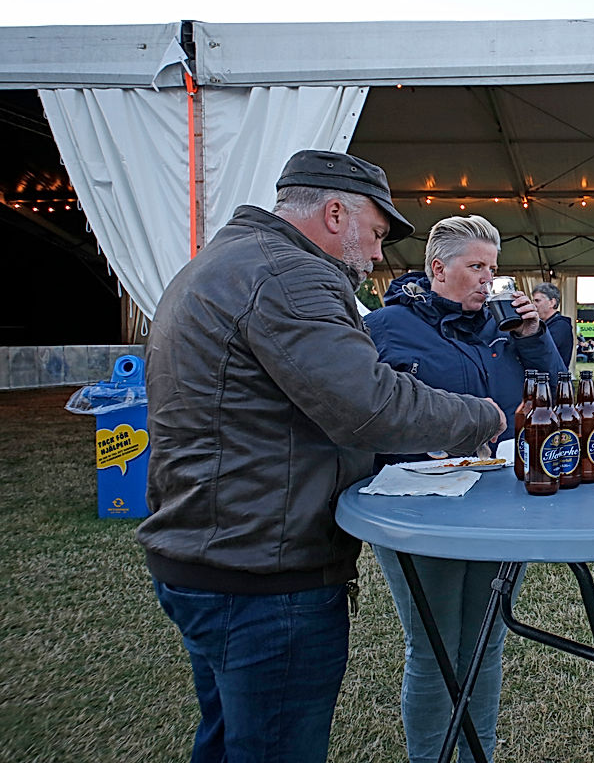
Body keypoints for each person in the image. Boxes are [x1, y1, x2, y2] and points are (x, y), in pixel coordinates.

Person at [137, 150, 505, 763]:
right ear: (336, 214)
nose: (379, 256)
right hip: (263, 568)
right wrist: (481, 417)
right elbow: (369, 404)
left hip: (214, 549)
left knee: (231, 742)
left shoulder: (229, 261)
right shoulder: (290, 276)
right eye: (378, 234)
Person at [363, 215, 566, 763]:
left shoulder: (503, 327)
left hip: (502, 504)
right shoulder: (387, 327)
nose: (488, 279)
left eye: (492, 269)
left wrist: (534, 339)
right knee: (433, 649)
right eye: (476, 266)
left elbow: (558, 395)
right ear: (437, 268)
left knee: (485, 643)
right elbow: (363, 411)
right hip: (420, 509)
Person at [531, 282, 575, 368]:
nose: (533, 305)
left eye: (537, 301)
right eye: (533, 301)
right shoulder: (544, 324)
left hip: (553, 375)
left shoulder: (561, 325)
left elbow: (541, 350)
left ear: (552, 302)